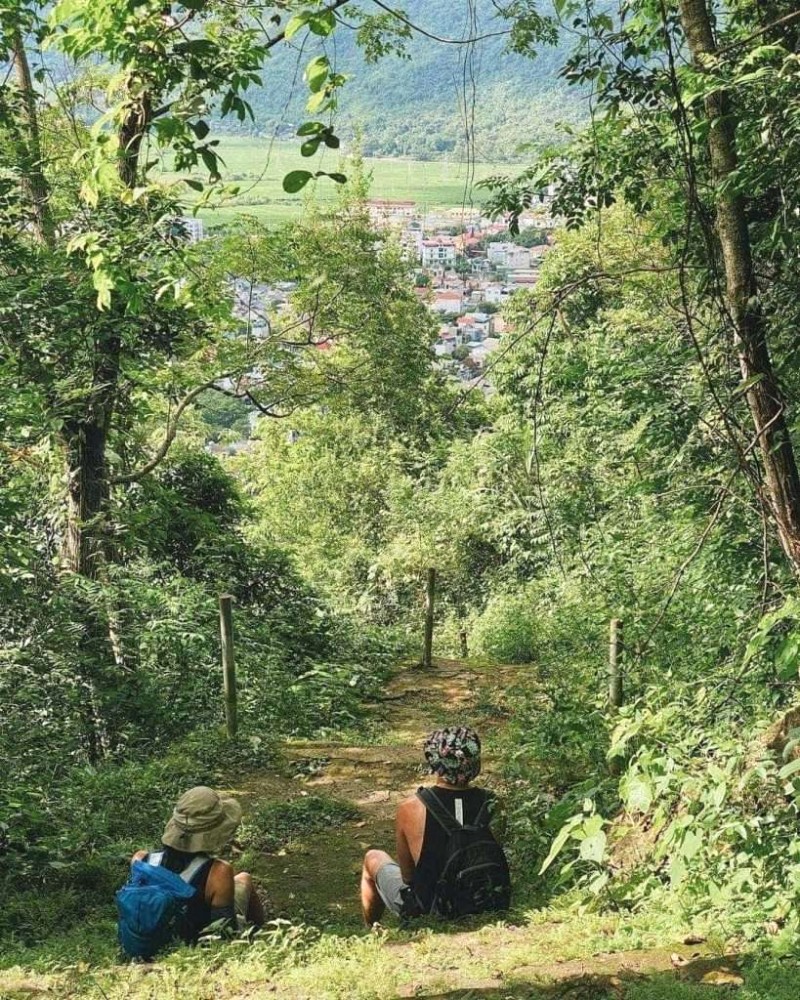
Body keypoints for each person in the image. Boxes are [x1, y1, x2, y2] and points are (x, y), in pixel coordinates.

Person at [360, 726, 510, 926]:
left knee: (373, 857)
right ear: (475, 760)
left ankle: (372, 930)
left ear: (434, 761)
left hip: (431, 907)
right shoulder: (494, 803)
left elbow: (408, 876)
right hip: (484, 901)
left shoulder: (411, 807)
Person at [128, 785, 265, 947]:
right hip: (192, 945)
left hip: (146, 943)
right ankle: (262, 933)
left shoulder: (140, 859)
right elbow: (224, 931)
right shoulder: (219, 872)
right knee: (244, 879)